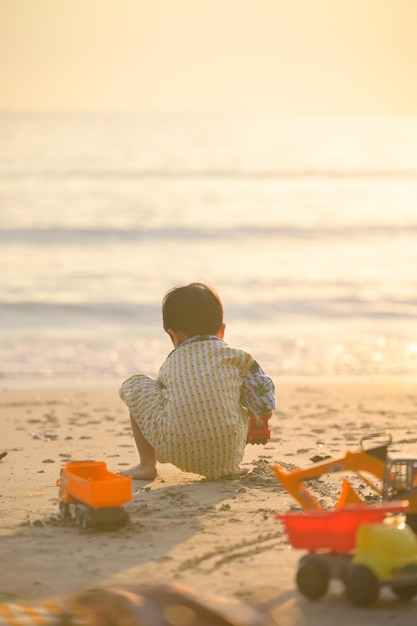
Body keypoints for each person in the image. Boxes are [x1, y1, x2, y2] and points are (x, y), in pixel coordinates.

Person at [119, 282, 275, 480]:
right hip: (229, 452)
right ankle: (229, 468)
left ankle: (147, 465)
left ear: (172, 334)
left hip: (178, 450)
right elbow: (264, 395)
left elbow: (166, 401)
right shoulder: (237, 357)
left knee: (136, 387)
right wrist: (259, 420)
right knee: (234, 392)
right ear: (222, 331)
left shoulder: (171, 363)